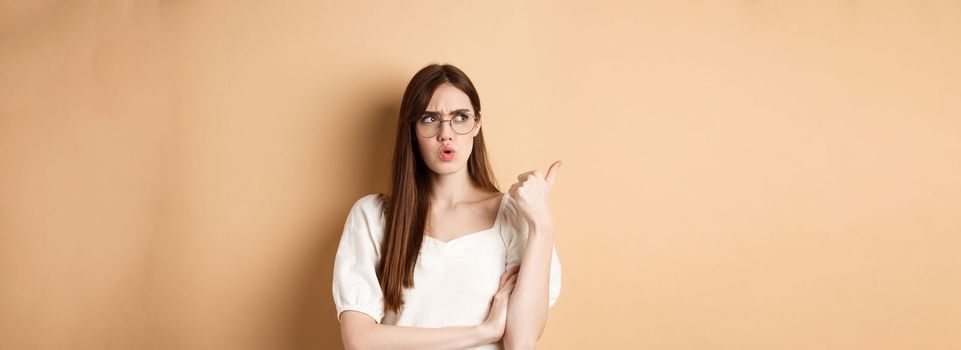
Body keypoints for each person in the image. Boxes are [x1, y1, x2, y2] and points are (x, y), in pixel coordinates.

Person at [332, 63, 562, 349]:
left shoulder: (513, 216)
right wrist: (483, 332)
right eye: (429, 119)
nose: (446, 133)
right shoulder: (373, 216)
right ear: (412, 130)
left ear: (477, 124)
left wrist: (542, 226)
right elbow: (359, 341)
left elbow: (522, 342)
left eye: (460, 117)